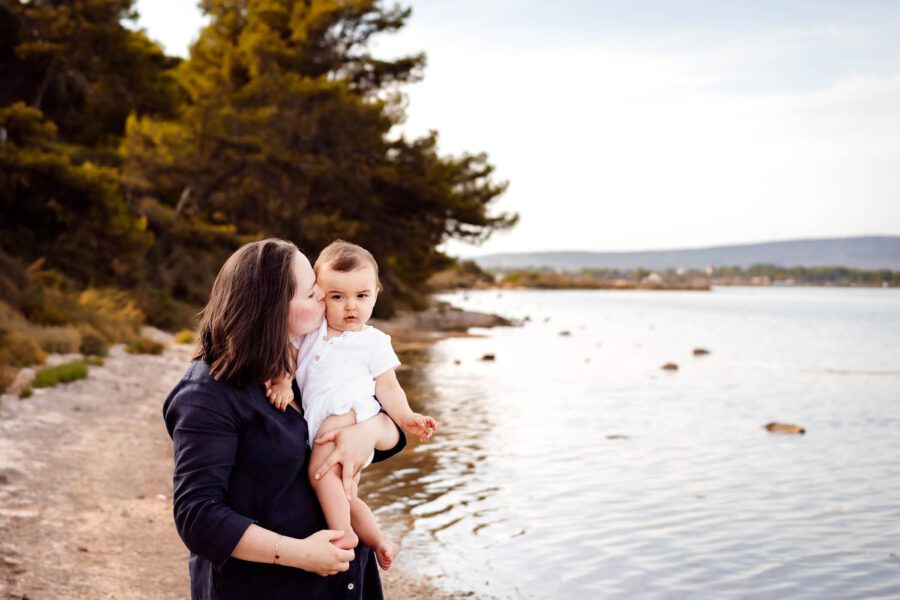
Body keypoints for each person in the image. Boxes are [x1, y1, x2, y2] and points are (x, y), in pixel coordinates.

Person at [163, 238, 406, 599]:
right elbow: (197, 517)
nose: (326, 299)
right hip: (269, 587)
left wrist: (367, 431)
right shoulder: (207, 394)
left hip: (344, 581)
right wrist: (301, 554)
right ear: (273, 308)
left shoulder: (312, 365)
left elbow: (393, 435)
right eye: (313, 293)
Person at [267, 240, 437, 570]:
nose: (350, 307)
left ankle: (342, 535)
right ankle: (378, 540)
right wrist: (284, 381)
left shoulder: (373, 341)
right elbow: (286, 357)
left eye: (362, 296)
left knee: (320, 476)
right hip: (326, 417)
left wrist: (406, 417)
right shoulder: (311, 333)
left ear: (376, 293)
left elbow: (388, 387)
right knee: (345, 493)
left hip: (348, 413)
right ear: (320, 296)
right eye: (337, 296)